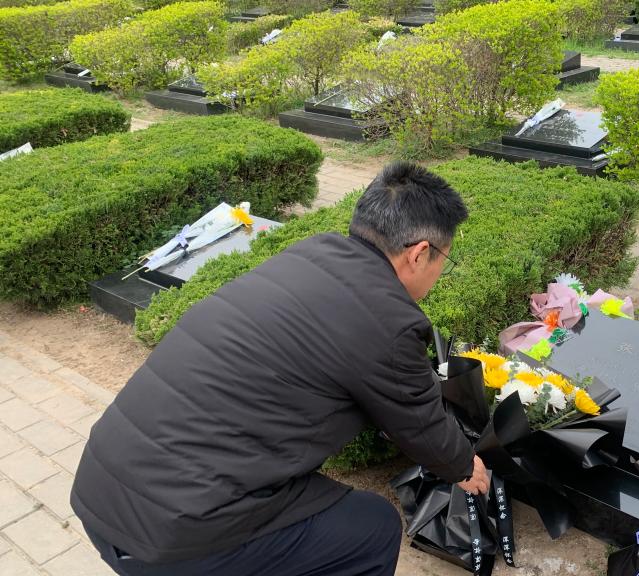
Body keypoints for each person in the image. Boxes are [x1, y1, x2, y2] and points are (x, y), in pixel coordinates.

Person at [71, 161, 490, 576]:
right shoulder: (388, 320)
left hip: (102, 493)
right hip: (173, 535)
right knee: (372, 527)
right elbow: (419, 425)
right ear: (420, 253)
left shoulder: (311, 253)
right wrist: (463, 465)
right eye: (444, 260)